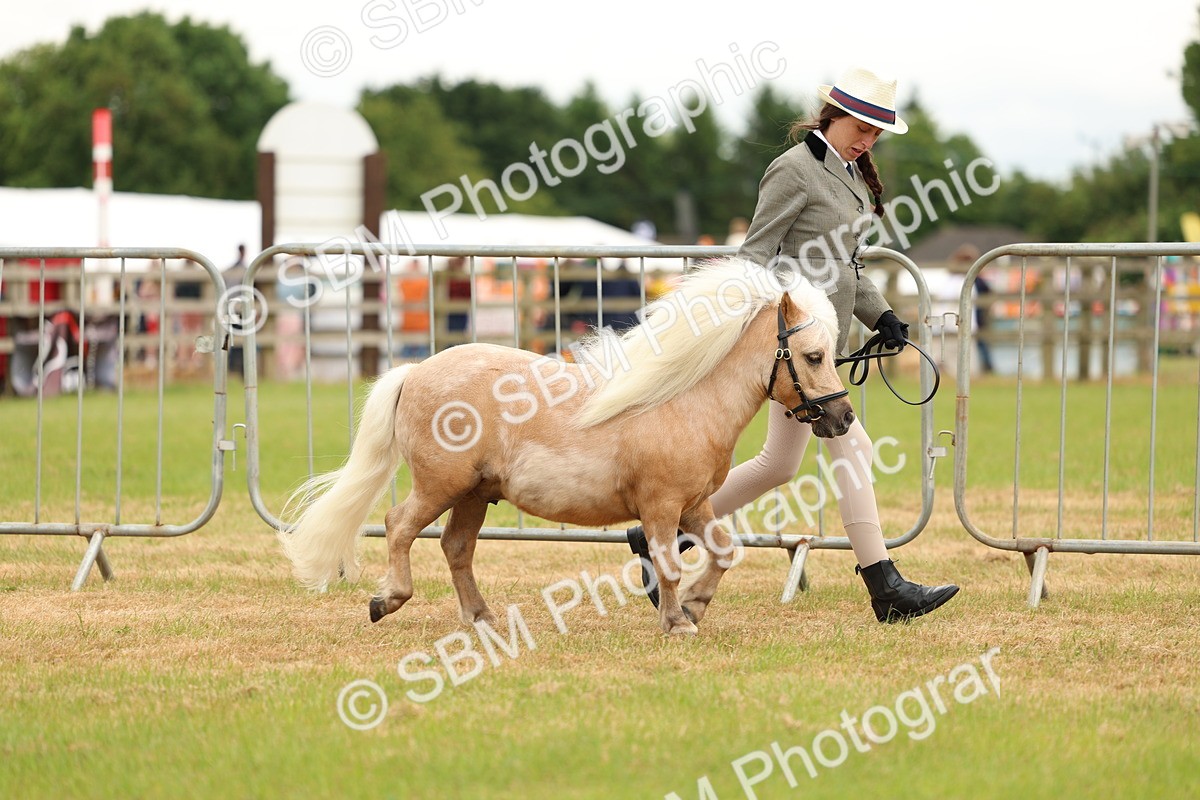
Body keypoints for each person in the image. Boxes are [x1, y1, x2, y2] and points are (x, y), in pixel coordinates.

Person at [627, 68, 959, 623]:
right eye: (863, 128)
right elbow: (755, 257)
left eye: (877, 134)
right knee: (854, 451)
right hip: (790, 351)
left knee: (778, 464)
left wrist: (882, 317)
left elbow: (845, 264)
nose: (868, 140)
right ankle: (886, 589)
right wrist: (772, 331)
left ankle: (661, 533)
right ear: (834, 115)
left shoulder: (849, 173)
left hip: (819, 345)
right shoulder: (794, 170)